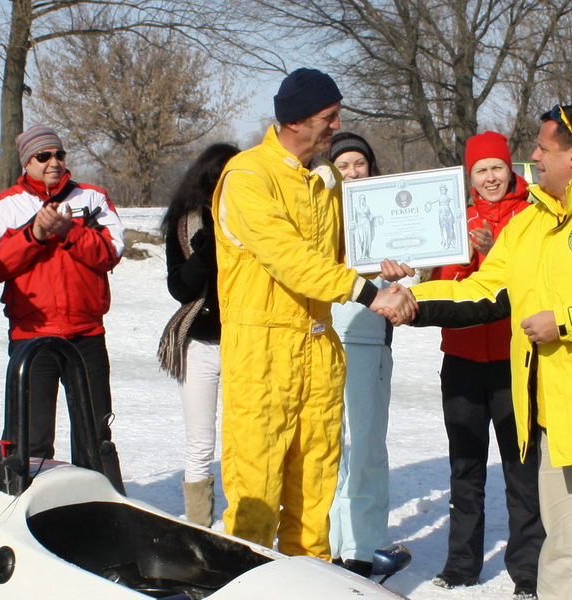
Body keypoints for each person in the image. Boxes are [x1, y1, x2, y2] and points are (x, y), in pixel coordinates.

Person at [385, 105, 572, 600]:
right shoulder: (532, 225)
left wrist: (567, 319)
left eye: (542, 147)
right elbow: (485, 290)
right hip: (556, 424)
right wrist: (414, 302)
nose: (533, 156)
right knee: (564, 561)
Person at [210, 68, 414, 556]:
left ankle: (307, 580)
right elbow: (290, 259)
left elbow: (349, 251)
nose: (336, 124)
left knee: (314, 490)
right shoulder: (248, 176)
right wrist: (368, 295)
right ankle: (249, 584)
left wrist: (394, 255)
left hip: (319, 349)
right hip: (263, 354)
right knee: (256, 492)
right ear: (297, 120)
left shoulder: (325, 181)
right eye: (329, 116)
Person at [0, 124, 126, 492]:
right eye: (43, 157)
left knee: (95, 432)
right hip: (32, 336)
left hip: (86, 333)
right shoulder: (4, 204)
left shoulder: (92, 198)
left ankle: (106, 509)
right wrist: (34, 235)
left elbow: (110, 253)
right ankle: (17, 505)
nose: (54, 162)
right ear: (27, 162)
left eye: (59, 154)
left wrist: (69, 231)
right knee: (29, 435)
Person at [427, 131, 543, 600]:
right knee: (465, 466)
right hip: (461, 356)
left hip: (515, 361)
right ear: (470, 175)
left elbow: (537, 279)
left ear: (510, 168)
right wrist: (459, 264)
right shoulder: (456, 216)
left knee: (522, 468)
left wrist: (496, 254)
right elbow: (442, 280)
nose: (491, 177)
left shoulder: (533, 214)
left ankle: (529, 571)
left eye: (497, 167)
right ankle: (461, 565)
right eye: (481, 170)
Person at [158, 142, 240, 527]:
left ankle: (247, 524)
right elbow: (180, 288)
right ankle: (199, 527)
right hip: (201, 342)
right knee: (200, 443)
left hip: (248, 340)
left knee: (248, 441)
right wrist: (207, 253)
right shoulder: (185, 223)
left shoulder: (252, 220)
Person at [327, 132, 396, 577]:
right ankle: (327, 543)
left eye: (359, 164)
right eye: (343, 165)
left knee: (366, 446)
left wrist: (403, 269)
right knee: (327, 449)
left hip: (370, 339)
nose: (352, 172)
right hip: (324, 335)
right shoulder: (320, 214)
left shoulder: (389, 211)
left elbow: (419, 265)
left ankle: (362, 550)